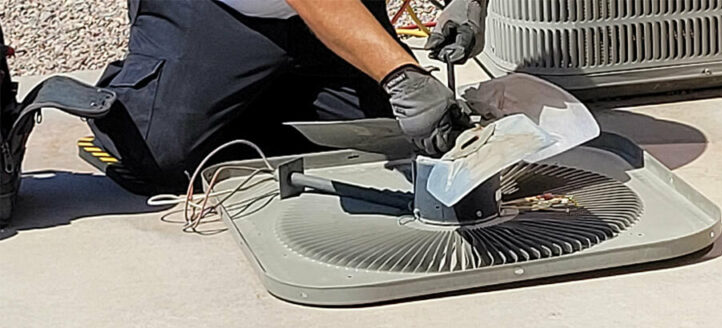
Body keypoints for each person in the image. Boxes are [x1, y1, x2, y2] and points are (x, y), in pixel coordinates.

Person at [89, 0, 487, 194]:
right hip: (216, 10)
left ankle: (252, 95)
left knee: (395, 135)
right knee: (161, 157)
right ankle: (141, 96)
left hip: (344, 8)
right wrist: (400, 76)